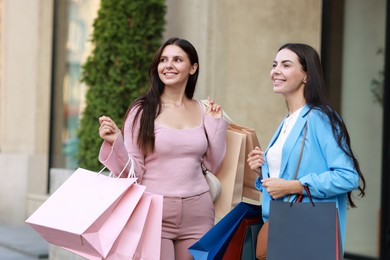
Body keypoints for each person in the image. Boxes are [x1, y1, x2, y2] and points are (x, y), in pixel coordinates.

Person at [98, 37, 228, 260]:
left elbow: (211, 165)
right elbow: (133, 171)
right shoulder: (142, 111)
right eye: (163, 60)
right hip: (154, 211)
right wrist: (115, 141)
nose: (168, 65)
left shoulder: (203, 109)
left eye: (177, 60)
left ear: (193, 67)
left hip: (198, 212)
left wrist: (216, 122)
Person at [247, 43, 366, 247]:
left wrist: (295, 186)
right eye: (275, 64)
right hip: (281, 225)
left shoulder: (320, 118)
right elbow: (287, 176)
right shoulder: (288, 120)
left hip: (306, 229)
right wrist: (263, 171)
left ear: (306, 75)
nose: (276, 71)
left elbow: (348, 177)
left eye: (286, 65)